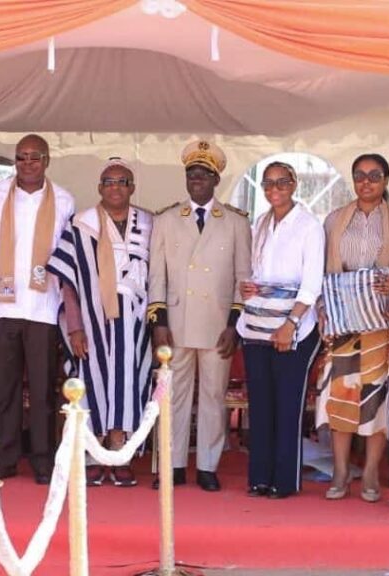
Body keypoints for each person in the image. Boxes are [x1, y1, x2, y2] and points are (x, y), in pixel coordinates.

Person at [148, 140, 251, 492]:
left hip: (217, 323)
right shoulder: (165, 219)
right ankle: (174, 464)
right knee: (173, 396)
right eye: (191, 173)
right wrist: (159, 322)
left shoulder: (236, 222)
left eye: (204, 174)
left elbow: (243, 278)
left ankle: (208, 465)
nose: (196, 179)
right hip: (177, 322)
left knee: (212, 396)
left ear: (216, 179)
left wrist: (234, 325)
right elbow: (156, 276)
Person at [48, 157, 153, 487]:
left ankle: (120, 452)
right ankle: (93, 453)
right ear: (99, 188)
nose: (115, 187)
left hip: (135, 324)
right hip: (91, 322)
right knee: (91, 381)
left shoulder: (149, 223)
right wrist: (75, 327)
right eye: (109, 182)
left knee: (128, 381)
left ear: (132, 187)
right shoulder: (81, 224)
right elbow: (67, 281)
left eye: (122, 182)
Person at [0, 135, 75, 484]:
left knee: (44, 388)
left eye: (35, 157)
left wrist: (65, 311)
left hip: (44, 308)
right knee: (5, 387)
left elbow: (66, 258)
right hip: (3, 306)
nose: (27, 164)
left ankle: (43, 460)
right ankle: (5, 457)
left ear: (47, 161)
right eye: (21, 157)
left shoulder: (64, 200)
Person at [315, 153, 389, 502]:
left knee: (375, 397)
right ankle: (341, 470)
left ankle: (371, 470)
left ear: (386, 180)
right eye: (359, 175)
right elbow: (320, 270)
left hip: (379, 323)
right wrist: (322, 308)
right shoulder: (334, 220)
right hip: (342, 321)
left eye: (374, 175)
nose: (366, 182)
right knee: (342, 394)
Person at [237, 161, 324, 498]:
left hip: (294, 325)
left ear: (294, 184)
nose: (275, 189)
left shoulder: (309, 226)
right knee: (260, 404)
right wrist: (250, 287)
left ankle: (284, 480)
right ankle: (259, 477)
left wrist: (291, 324)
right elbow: (257, 273)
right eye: (268, 183)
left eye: (282, 182)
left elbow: (311, 284)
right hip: (258, 325)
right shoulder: (260, 222)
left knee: (287, 404)